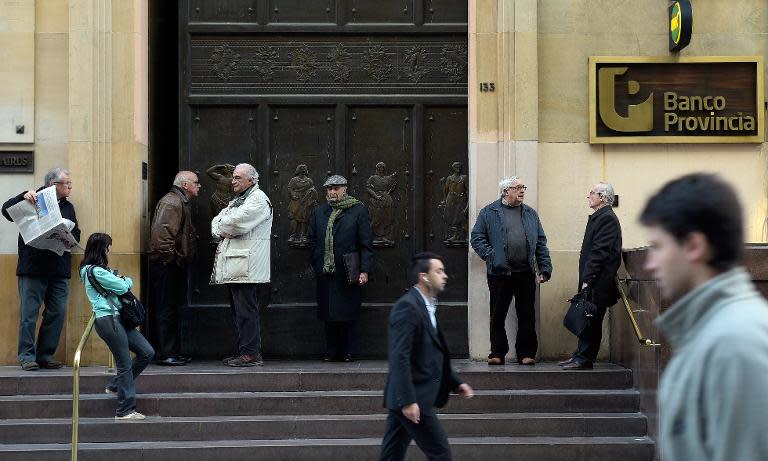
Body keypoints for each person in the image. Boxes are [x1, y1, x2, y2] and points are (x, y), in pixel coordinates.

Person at [640, 173, 768, 461]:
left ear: (694, 246)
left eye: (658, 246)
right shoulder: (713, 333)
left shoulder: (735, 343)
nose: (649, 263)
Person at [379, 252, 474, 461]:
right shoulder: (407, 307)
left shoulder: (426, 305)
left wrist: (455, 382)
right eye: (439, 271)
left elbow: (435, 352)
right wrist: (408, 401)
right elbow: (399, 357)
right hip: (413, 398)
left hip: (406, 397)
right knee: (441, 453)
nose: (445, 276)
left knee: (391, 455)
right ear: (424, 276)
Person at [2, 167, 81, 371]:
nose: (70, 187)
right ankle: (27, 356)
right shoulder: (33, 198)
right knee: (29, 314)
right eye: (66, 184)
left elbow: (77, 234)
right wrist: (21, 196)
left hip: (58, 269)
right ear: (52, 184)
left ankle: (45, 355)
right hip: (33, 267)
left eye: (70, 184)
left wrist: (68, 237)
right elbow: (6, 210)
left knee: (57, 312)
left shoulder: (69, 207)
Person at [470, 176, 552, 366]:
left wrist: (545, 268)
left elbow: (540, 243)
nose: (522, 190)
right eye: (517, 188)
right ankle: (497, 353)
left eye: (523, 187)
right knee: (498, 315)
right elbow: (477, 237)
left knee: (527, 315)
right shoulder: (489, 212)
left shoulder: (530, 213)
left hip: (525, 273)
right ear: (506, 191)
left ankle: (526, 353)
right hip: (500, 273)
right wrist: (493, 257)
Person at [79, 233, 154, 421]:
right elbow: (123, 286)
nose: (110, 250)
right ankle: (125, 410)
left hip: (118, 319)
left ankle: (114, 385)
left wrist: (120, 280)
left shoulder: (97, 270)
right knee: (124, 362)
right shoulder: (95, 271)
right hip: (108, 319)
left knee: (146, 352)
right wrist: (126, 280)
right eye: (108, 247)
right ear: (102, 249)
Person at [211, 163, 273, 367]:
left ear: (251, 180)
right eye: (234, 177)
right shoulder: (238, 200)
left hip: (248, 266)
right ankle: (244, 350)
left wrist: (225, 226)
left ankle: (251, 354)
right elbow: (216, 223)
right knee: (239, 311)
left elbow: (235, 224)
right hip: (236, 265)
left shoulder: (258, 200)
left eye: (238, 177)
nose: (233, 180)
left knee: (246, 311)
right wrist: (222, 228)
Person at [307, 174, 373, 362]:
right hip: (326, 271)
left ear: (345, 189)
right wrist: (318, 260)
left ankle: (348, 351)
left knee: (348, 313)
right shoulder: (319, 212)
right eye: (329, 189)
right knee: (329, 314)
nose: (333, 192)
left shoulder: (358, 210)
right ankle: (331, 351)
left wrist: (364, 270)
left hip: (348, 271)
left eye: (336, 188)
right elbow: (312, 239)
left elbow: (366, 243)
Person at [560, 182, 622, 370]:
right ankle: (579, 355)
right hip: (593, 279)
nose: (589, 196)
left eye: (592, 193)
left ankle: (585, 359)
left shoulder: (607, 218)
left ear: (602, 197)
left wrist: (588, 279)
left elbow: (599, 252)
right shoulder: (600, 217)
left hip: (598, 281)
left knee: (592, 320)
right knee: (586, 318)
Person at [148, 171, 200, 366]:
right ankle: (166, 353)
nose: (199, 186)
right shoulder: (172, 202)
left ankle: (173, 352)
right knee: (166, 309)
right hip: (166, 265)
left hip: (172, 264)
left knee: (172, 308)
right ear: (185, 185)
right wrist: (174, 259)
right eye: (196, 182)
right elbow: (162, 237)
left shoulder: (178, 201)